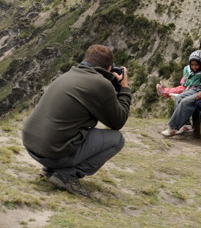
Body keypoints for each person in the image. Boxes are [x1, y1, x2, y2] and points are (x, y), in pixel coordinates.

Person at [22, 44, 131, 196]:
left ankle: (50, 169)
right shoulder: (100, 84)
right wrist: (124, 88)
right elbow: (118, 121)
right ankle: (67, 175)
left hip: (32, 145)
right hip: (52, 152)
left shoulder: (70, 73)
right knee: (116, 139)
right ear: (109, 68)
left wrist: (110, 83)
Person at [161, 32, 201, 137]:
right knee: (179, 97)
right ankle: (186, 124)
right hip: (200, 87)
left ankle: (173, 128)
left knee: (186, 101)